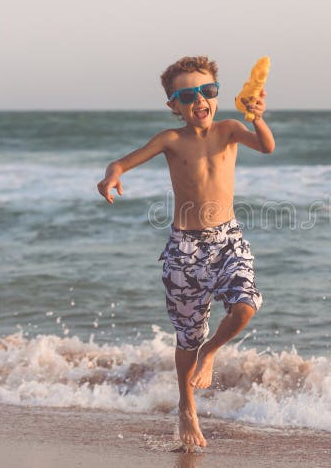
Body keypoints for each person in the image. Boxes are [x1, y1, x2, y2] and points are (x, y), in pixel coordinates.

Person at [97, 56, 275, 449]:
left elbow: (266, 146)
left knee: (246, 305)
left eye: (208, 91)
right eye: (188, 95)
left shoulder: (230, 129)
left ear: (216, 95)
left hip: (228, 238)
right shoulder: (170, 141)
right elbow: (122, 162)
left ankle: (210, 354)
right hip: (184, 249)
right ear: (174, 105)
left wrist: (258, 117)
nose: (200, 100)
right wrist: (112, 175)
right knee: (187, 336)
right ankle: (186, 405)